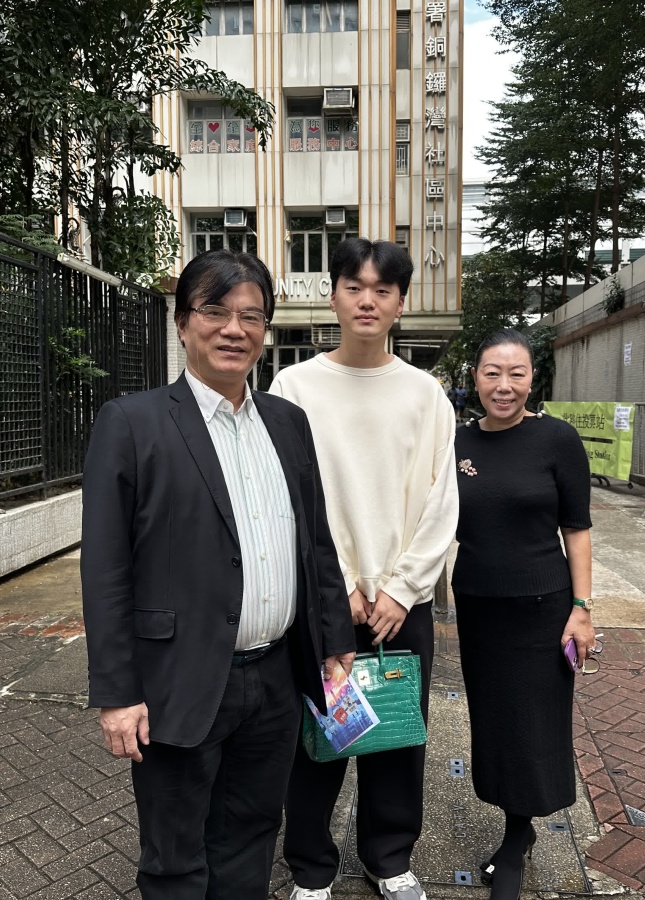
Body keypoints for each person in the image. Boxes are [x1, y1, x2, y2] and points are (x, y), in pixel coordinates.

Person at [80, 249, 356, 900]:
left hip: (276, 677)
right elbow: (106, 568)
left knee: (252, 834)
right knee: (175, 854)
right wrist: (117, 693)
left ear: (266, 331)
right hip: (179, 679)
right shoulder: (133, 423)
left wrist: (335, 640)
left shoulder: (288, 423)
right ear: (182, 323)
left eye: (252, 316)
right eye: (215, 310)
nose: (235, 329)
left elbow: (316, 542)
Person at [270, 238, 458, 900]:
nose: (367, 301)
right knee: (319, 735)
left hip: (403, 607)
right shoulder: (294, 388)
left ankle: (390, 858)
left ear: (401, 303)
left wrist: (403, 590)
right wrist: (340, 586)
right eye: (354, 286)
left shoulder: (426, 395)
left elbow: (442, 502)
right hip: (325, 603)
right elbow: (289, 497)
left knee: (397, 738)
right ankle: (311, 866)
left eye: (383, 289)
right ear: (334, 296)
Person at [451, 328, 596, 900]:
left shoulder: (557, 439)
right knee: (494, 721)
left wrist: (582, 608)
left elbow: (577, 529)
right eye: (492, 373)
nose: (504, 386)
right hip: (479, 608)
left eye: (516, 373)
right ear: (476, 378)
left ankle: (517, 838)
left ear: (533, 378)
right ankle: (512, 823)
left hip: (543, 608)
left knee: (534, 724)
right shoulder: (458, 443)